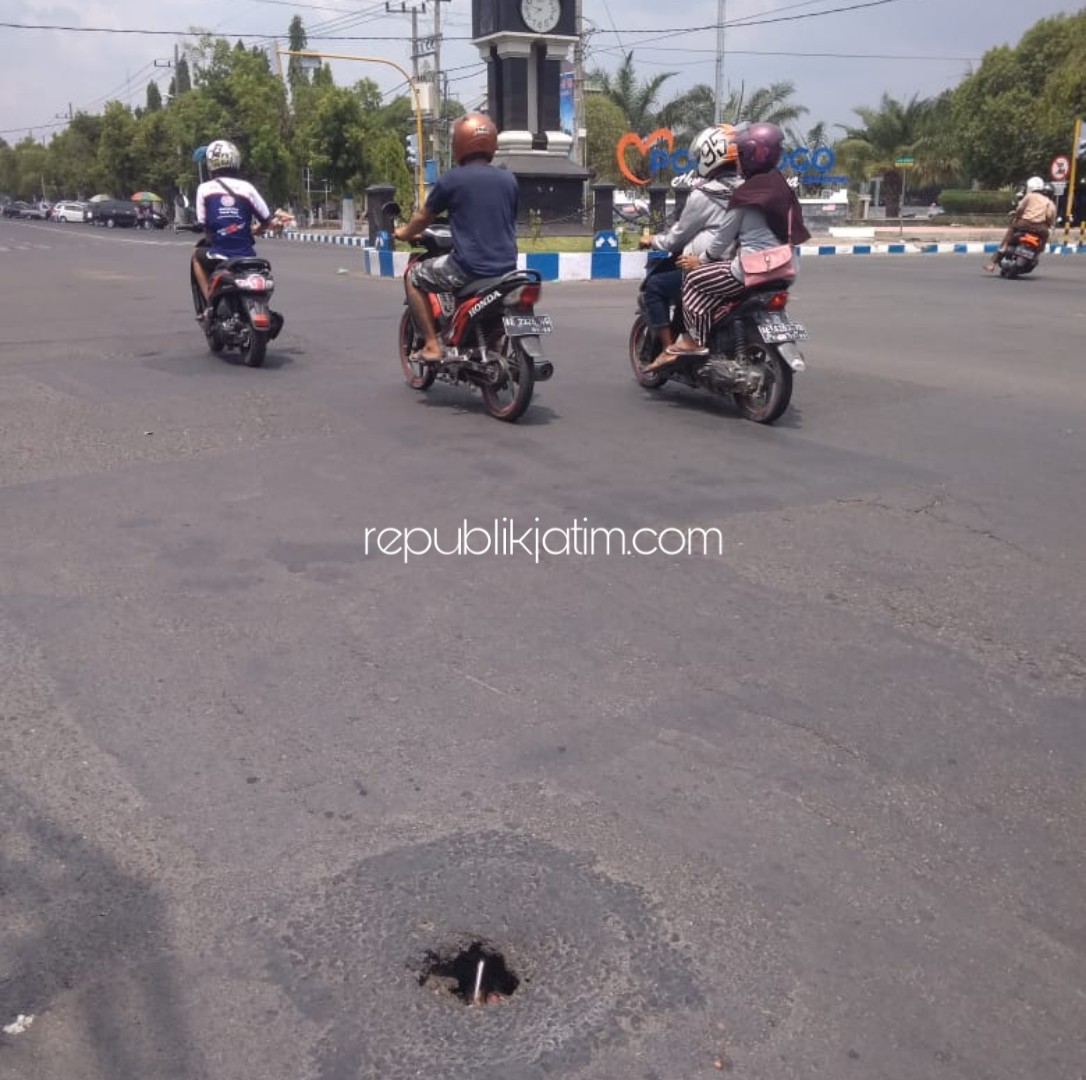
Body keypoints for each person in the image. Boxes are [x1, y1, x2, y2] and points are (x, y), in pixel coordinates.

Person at [661, 122, 811, 361]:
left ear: (750, 157)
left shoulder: (746, 193)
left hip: (750, 269)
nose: (738, 161)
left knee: (693, 281)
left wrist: (700, 261)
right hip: (787, 268)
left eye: (741, 155)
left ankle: (693, 340)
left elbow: (723, 238)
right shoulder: (782, 187)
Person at [393, 113, 518, 363]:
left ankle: (432, 345)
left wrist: (404, 232)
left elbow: (423, 217)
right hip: (507, 268)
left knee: (415, 275)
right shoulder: (508, 179)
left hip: (469, 267)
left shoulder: (452, 179)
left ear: (459, 143)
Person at [637, 125, 741, 369]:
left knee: (655, 286)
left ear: (709, 156)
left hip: (709, 266)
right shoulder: (748, 189)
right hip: (743, 266)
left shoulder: (703, 194)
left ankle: (668, 349)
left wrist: (652, 240)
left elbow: (677, 238)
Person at [191, 139, 274, 320]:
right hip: (247, 256)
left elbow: (203, 223)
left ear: (212, 164)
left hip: (219, 254)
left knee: (196, 255)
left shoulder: (204, 189)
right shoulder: (247, 188)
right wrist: (253, 231)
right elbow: (267, 220)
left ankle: (210, 304)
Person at [984, 175, 1056, 272]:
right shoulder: (1048, 202)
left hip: (1024, 224)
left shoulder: (1029, 196)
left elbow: (1020, 209)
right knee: (1045, 236)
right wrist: (1047, 224)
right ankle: (1037, 254)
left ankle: (995, 259)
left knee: (1010, 231)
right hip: (1040, 228)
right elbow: (1050, 215)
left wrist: (1017, 217)